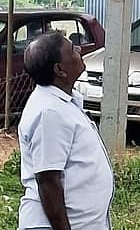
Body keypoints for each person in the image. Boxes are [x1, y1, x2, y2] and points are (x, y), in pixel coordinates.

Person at [17, 31, 114, 230]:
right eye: (72, 50)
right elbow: (47, 180)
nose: (79, 50)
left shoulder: (63, 102)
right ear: (59, 69)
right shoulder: (49, 112)